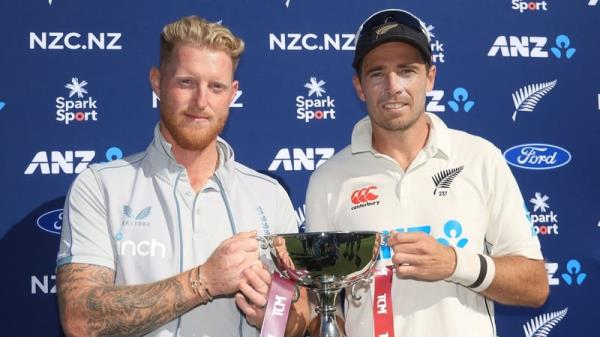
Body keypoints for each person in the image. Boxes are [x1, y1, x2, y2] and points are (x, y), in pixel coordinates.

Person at [56, 15, 308, 337]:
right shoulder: (101, 187)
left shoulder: (269, 195)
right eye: (186, 82)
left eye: (216, 87)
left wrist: (272, 314)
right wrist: (203, 281)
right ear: (157, 82)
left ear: (232, 93)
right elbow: (80, 320)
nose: (201, 102)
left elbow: (303, 315)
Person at [305, 8, 549, 337]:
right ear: (360, 87)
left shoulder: (480, 158)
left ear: (430, 77)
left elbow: (534, 286)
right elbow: (323, 307)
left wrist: (454, 263)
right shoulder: (329, 179)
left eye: (406, 71)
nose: (393, 86)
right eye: (377, 74)